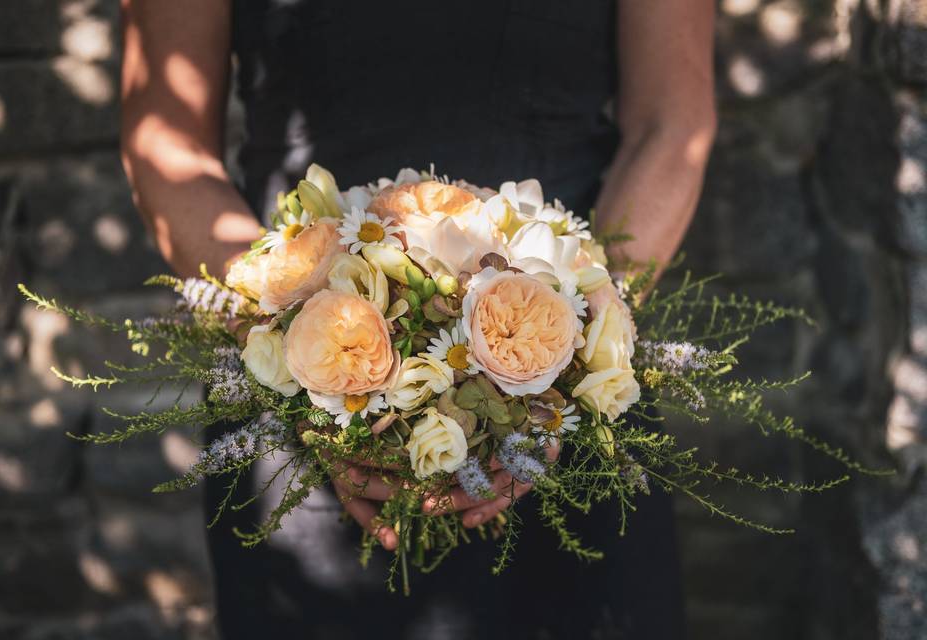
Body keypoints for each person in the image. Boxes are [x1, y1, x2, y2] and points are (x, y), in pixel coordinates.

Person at [120, 1, 716, 638]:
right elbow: (166, 141)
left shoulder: (568, 370)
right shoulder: (297, 377)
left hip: (566, 411)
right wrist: (286, 347)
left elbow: (670, 123)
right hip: (306, 398)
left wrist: (574, 356)